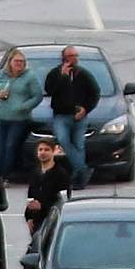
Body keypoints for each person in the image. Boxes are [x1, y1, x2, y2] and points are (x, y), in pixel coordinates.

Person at [41, 45, 100, 187]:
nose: (74, 59)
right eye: (71, 56)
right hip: (61, 115)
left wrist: (86, 109)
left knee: (79, 145)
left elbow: (95, 93)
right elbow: (50, 91)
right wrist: (63, 77)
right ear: (64, 58)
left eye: (76, 56)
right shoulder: (55, 73)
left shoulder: (84, 74)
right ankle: (83, 170)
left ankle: (79, 179)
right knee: (63, 140)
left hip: (79, 116)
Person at [0, 49, 39, 182]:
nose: (19, 64)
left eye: (21, 61)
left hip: (20, 119)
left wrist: (24, 106)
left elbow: (37, 96)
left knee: (10, 145)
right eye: (16, 61)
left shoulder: (29, 77)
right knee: (0, 147)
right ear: (10, 62)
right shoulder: (2, 75)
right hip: (2, 117)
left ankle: (5, 175)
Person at [22, 134, 73, 246]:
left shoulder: (61, 174)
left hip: (52, 220)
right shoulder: (35, 173)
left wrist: (43, 206)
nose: (43, 152)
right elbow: (31, 196)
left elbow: (63, 200)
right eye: (40, 150)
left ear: (54, 151)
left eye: (47, 150)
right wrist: (29, 217)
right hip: (36, 220)